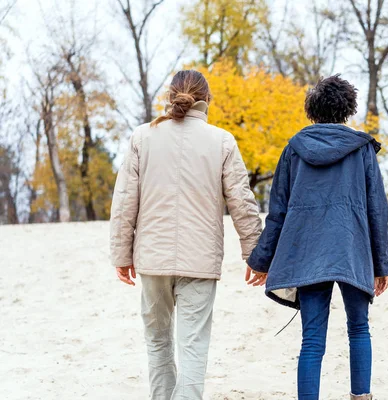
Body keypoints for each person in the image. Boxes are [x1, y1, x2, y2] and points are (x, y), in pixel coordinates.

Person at [110, 70, 262, 400]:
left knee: (158, 343)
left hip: (152, 259)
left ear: (170, 95)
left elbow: (124, 201)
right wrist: (255, 253)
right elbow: (242, 201)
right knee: (193, 348)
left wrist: (121, 255)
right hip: (200, 261)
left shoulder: (141, 137)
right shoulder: (222, 140)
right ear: (207, 101)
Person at [245, 75, 388, 400]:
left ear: (312, 110)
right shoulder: (363, 150)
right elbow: (377, 211)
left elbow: (277, 213)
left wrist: (260, 260)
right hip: (353, 250)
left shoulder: (294, 149)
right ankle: (361, 397)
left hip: (307, 251)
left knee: (311, 340)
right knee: (359, 329)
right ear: (348, 108)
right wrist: (381, 265)